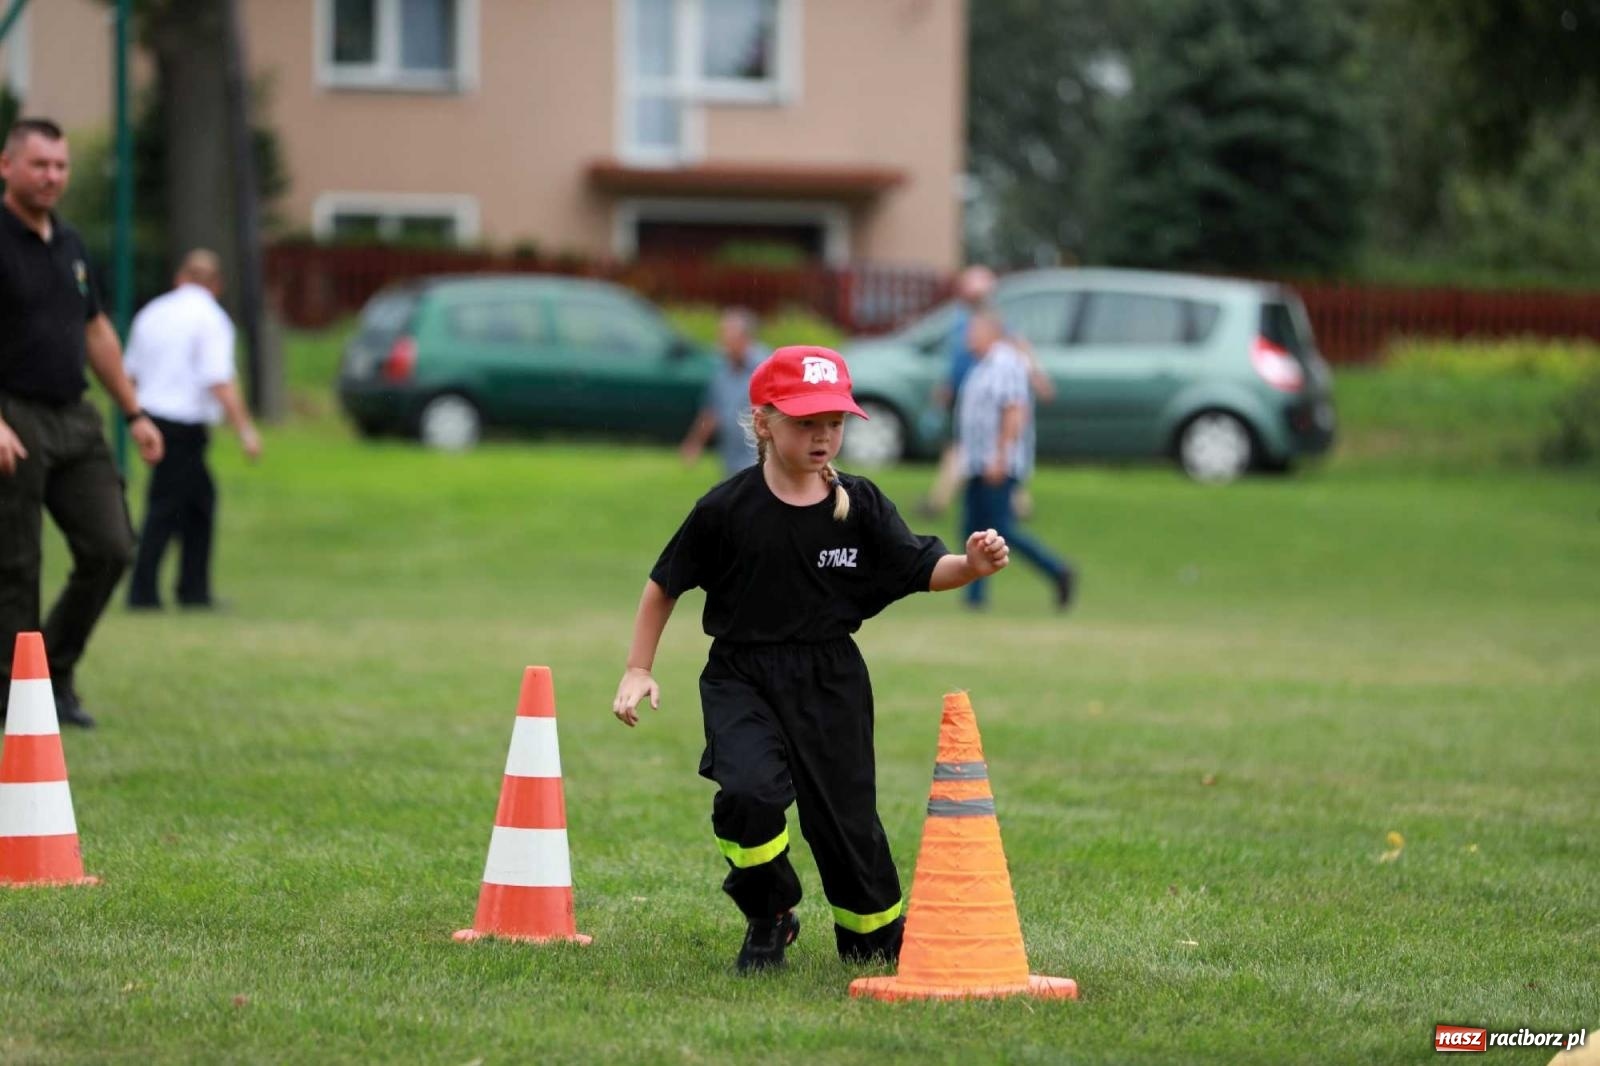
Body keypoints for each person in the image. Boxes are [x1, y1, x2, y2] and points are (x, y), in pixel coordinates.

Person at [611, 345, 1011, 975]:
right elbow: (664, 585)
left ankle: (872, 933)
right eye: (806, 422)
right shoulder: (725, 509)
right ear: (764, 422)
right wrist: (638, 668)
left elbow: (918, 566)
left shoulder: (861, 503)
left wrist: (971, 565)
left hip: (831, 680)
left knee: (846, 821)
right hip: (742, 675)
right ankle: (769, 916)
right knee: (747, 795)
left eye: (835, 422)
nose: (824, 435)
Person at [0, 118, 164, 728]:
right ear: (7, 166)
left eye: (60, 166)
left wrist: (134, 411)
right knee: (16, 567)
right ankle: (17, 703)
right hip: (13, 413)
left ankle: (54, 673)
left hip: (74, 415)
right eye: (39, 164)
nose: (51, 177)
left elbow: (96, 330)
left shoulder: (69, 245)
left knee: (112, 547)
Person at [124, 249, 262, 611]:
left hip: (151, 417)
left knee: (200, 502)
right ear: (216, 285)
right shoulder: (211, 319)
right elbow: (219, 379)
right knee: (165, 508)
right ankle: (143, 593)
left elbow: (130, 373)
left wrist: (133, 417)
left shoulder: (151, 313)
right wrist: (245, 430)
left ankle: (193, 590)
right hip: (182, 425)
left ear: (179, 278)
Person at [957, 311, 1075, 612]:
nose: (967, 337)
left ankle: (1057, 569)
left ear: (991, 333)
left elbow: (1013, 409)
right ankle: (974, 598)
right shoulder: (982, 365)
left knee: (1000, 529)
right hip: (977, 461)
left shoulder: (1004, 363)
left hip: (996, 463)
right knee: (973, 529)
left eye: (974, 331)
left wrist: (1001, 456)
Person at [678, 307, 765, 478]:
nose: (721, 342)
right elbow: (711, 411)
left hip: (760, 460)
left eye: (727, 337)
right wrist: (695, 443)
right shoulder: (722, 369)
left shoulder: (766, 368)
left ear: (745, 338)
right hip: (730, 460)